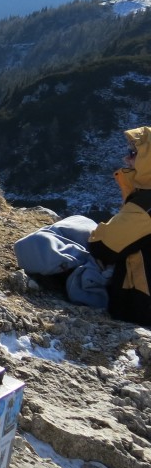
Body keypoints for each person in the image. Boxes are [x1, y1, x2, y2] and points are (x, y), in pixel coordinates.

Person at [88, 127, 151, 325]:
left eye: (133, 154)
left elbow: (103, 247)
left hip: (139, 307)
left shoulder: (145, 207)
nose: (126, 159)